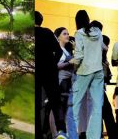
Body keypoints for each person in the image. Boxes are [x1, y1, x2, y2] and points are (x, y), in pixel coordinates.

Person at [71, 10, 105, 139]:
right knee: (97, 106)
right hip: (98, 71)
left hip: (85, 70)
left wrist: (74, 68)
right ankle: (94, 136)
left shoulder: (79, 33)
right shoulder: (98, 32)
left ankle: (72, 134)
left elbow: (79, 55)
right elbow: (102, 48)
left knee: (75, 103)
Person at [35, 11, 67, 139]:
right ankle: (61, 131)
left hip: (35, 72)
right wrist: (52, 63)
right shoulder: (47, 32)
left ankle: (38, 133)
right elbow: (58, 51)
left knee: (37, 103)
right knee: (55, 102)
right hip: (50, 72)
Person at [55, 27, 77, 139]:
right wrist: (68, 62)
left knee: (68, 111)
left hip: (69, 83)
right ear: (58, 36)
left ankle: (66, 134)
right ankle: (61, 133)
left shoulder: (67, 50)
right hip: (61, 82)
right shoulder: (57, 50)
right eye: (64, 34)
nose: (67, 35)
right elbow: (55, 66)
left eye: (68, 33)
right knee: (61, 110)